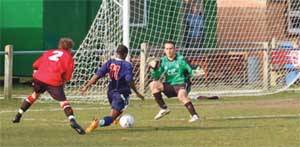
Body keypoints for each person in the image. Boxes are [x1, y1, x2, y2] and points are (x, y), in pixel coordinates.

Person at [12, 37, 85, 135]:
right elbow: (67, 76)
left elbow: (35, 64)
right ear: (70, 48)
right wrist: (63, 80)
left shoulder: (49, 52)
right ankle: (72, 120)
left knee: (34, 96)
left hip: (39, 78)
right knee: (63, 102)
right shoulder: (69, 57)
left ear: (59, 46)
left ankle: (18, 115)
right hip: (53, 80)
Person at [81, 44, 144, 133]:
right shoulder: (127, 65)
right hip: (121, 93)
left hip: (110, 92)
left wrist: (86, 86)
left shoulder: (110, 62)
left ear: (116, 53)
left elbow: (97, 75)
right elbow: (129, 80)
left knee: (118, 109)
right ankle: (98, 123)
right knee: (112, 117)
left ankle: (117, 117)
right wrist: (137, 92)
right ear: (125, 54)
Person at [148, 40, 200, 123]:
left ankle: (195, 116)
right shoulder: (163, 61)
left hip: (182, 84)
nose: (169, 51)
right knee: (153, 85)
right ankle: (164, 108)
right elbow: (156, 76)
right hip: (170, 85)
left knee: (181, 95)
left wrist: (195, 71)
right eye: (167, 49)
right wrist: (153, 69)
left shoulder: (181, 59)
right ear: (164, 50)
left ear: (175, 49)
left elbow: (191, 69)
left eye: (171, 48)